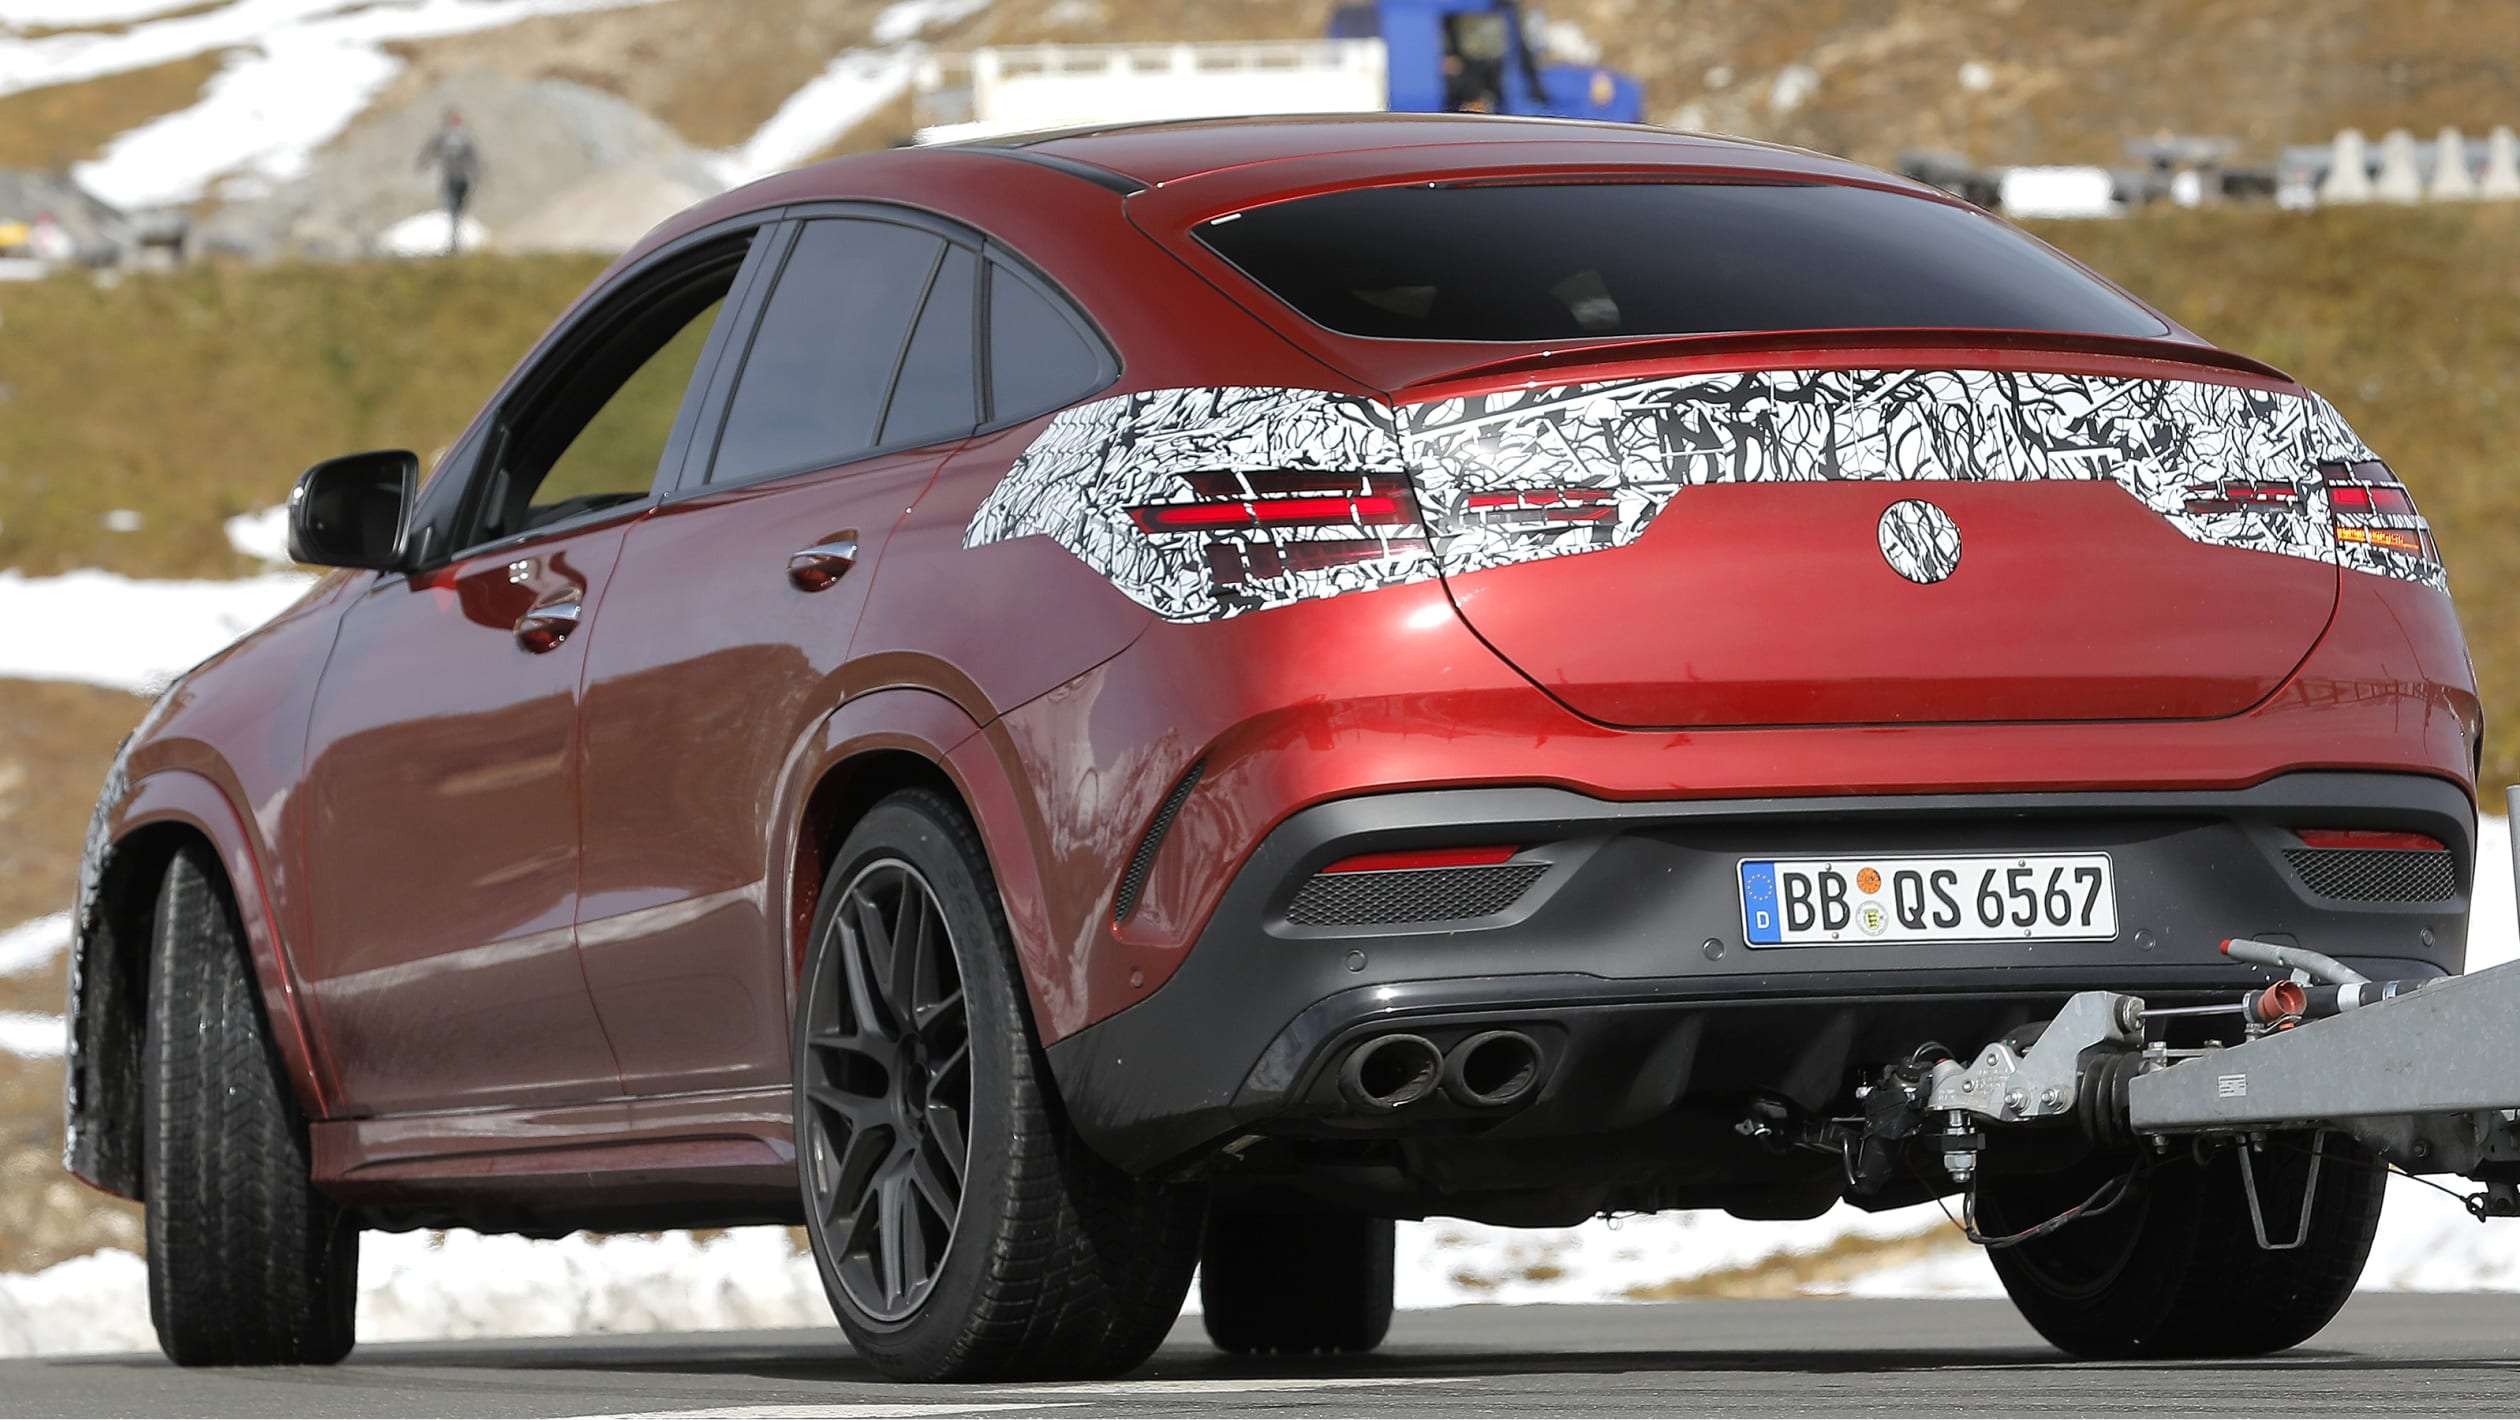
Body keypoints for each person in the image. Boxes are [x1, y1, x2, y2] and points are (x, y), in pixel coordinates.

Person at [415, 109, 482, 255]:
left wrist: (476, 174)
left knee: (458, 209)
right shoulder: (443, 137)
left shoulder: (465, 138)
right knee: (452, 209)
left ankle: (456, 240)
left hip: (462, 179)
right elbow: (428, 151)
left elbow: (474, 158)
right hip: (449, 178)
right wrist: (423, 164)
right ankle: (454, 241)